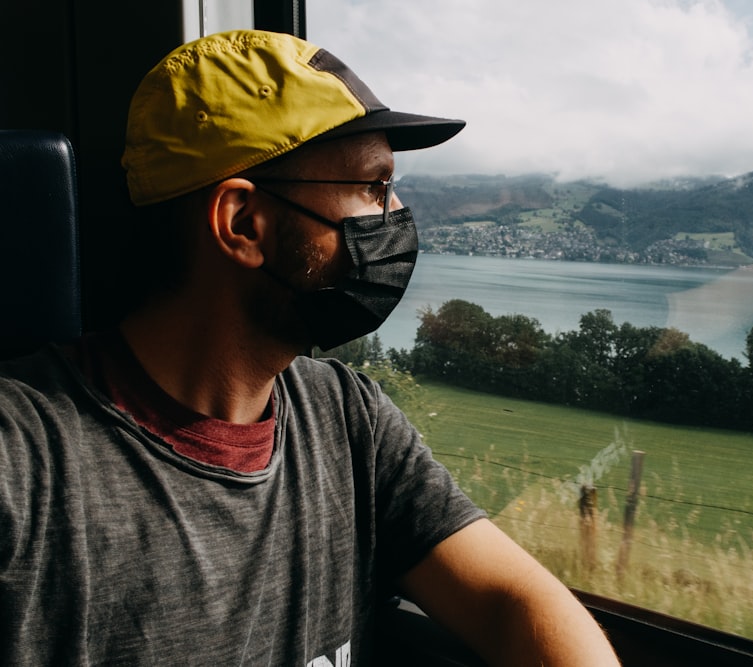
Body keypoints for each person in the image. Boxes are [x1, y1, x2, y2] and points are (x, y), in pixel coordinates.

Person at [0, 30, 620, 666]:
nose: (398, 217)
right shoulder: (25, 462)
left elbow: (513, 602)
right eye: (374, 189)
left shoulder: (348, 421)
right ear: (243, 223)